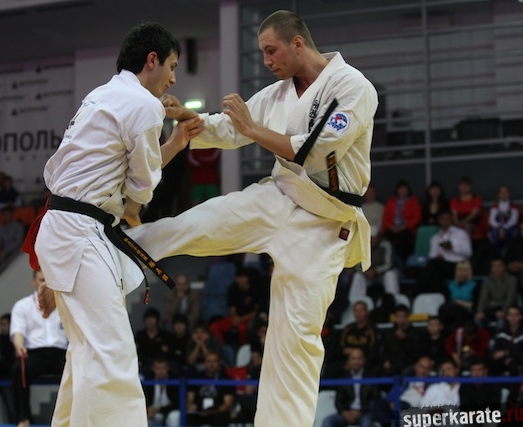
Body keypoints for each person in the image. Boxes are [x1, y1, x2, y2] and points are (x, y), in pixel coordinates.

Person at [128, 10, 378, 426]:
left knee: (295, 342)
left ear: (297, 43)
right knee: (200, 222)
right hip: (280, 194)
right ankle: (121, 248)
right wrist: (185, 118)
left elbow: (319, 149)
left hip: (323, 224)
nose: (266, 61)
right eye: (262, 52)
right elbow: (229, 129)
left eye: (271, 50)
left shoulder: (353, 86)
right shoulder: (279, 93)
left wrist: (251, 129)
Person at [32, 22, 202, 427]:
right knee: (112, 351)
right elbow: (139, 191)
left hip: (66, 225)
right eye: (172, 66)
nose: (173, 79)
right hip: (79, 231)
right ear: (152, 60)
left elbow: (124, 177)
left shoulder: (102, 94)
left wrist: (174, 144)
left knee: (85, 353)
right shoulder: (144, 104)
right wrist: (170, 148)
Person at [11, 270, 68, 427]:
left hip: (61, 353)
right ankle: (23, 419)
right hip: (35, 354)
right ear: (34, 281)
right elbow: (18, 332)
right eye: (42, 279)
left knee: (80, 368)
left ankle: (76, 418)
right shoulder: (22, 306)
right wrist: (19, 347)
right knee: (18, 369)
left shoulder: (65, 304)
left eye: (48, 279)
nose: (45, 283)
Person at [418, 210, 472, 294]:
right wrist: (438, 256)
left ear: (451, 220)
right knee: (435, 273)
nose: (445, 221)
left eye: (447, 219)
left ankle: (419, 291)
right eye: (442, 219)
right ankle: (435, 295)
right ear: (439, 220)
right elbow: (432, 255)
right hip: (441, 265)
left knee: (433, 267)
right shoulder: (435, 237)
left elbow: (469, 252)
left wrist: (453, 248)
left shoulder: (460, 233)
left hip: (458, 265)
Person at [321, 348, 378, 427]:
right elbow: (338, 400)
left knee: (366, 424)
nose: (356, 362)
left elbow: (374, 399)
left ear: (364, 360)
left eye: (359, 358)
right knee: (328, 422)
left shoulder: (371, 376)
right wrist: (345, 413)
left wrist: (360, 412)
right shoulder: (343, 377)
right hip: (347, 413)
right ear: (348, 361)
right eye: (353, 358)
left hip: (365, 413)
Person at [186, 352, 235, 427]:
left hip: (217, 412)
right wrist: (196, 408)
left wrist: (212, 411)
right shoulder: (196, 378)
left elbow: (227, 404)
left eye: (215, 361)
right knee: (189, 417)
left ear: (219, 363)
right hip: (199, 411)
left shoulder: (226, 379)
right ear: (204, 363)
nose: (211, 364)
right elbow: (189, 401)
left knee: (221, 418)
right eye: (209, 361)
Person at [381, 179, 422, 262]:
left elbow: (417, 218)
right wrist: (392, 227)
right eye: (400, 189)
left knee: (405, 237)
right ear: (397, 190)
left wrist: (403, 227)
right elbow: (385, 219)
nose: (402, 191)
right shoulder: (391, 201)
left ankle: (404, 262)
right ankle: (388, 261)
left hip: (406, 228)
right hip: (392, 228)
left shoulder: (413, 201)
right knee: (387, 238)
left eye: (404, 189)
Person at [475, 257, 518, 328]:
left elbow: (510, 298)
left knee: (501, 320)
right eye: (494, 266)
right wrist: (480, 311)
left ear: (504, 267)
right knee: (477, 319)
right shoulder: (487, 281)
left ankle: (499, 335)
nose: (496, 269)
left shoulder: (512, 280)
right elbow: (483, 298)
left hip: (506, 308)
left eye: (499, 266)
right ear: (491, 268)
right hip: (491, 308)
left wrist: (504, 311)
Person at [135, 307, 175, 377]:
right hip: (145, 364)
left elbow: (169, 352)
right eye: (148, 318)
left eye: (152, 318)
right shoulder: (140, 335)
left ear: (157, 320)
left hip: (161, 364)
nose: (150, 321)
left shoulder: (165, 336)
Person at [144, 357, 181, 427]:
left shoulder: (175, 380)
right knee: (145, 419)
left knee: (175, 417)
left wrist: (159, 409)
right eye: (158, 368)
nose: (160, 371)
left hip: (170, 411)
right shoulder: (148, 380)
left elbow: (177, 403)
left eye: (163, 368)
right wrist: (148, 410)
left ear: (168, 368)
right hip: (153, 412)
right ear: (153, 368)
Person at [0, 313, 16, 423]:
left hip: (16, 379)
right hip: (3, 379)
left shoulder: (17, 340)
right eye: (1, 324)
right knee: (10, 408)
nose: (2, 327)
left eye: (4, 324)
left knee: (19, 407)